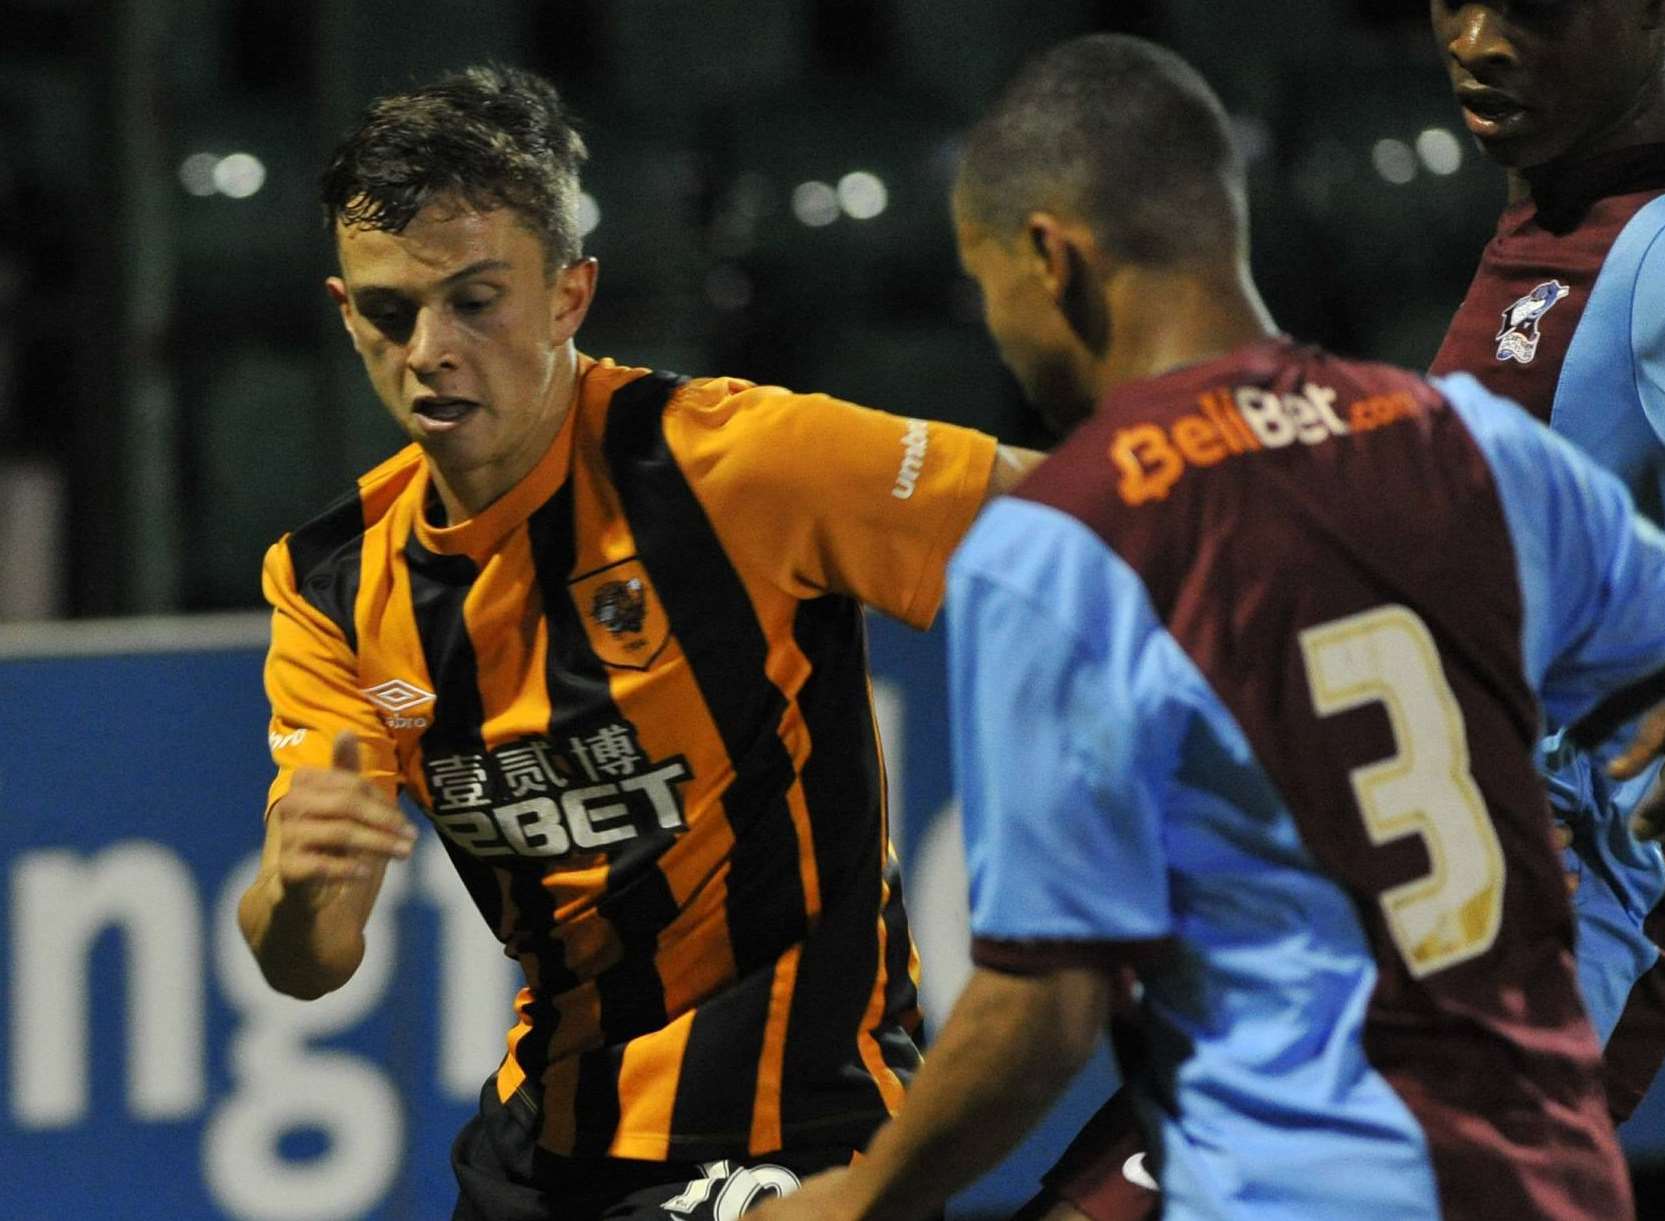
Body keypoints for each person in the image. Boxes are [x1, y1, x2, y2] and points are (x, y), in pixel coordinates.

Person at [756, 32, 1665, 1221]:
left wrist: (848, 1203)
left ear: (1051, 261)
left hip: (1298, 1178)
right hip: (1546, 1169)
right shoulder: (1466, 444)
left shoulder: (1066, 544)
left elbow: (1043, 1008)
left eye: (987, 292)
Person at [235, 64, 1038, 1220]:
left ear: (570, 296)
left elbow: (1094, 523)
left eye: (476, 300)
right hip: (543, 1148)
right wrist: (300, 889)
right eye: (390, 310)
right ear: (345, 309)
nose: (430, 351)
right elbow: (309, 964)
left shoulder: (735, 464)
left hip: (789, 1130)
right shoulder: (330, 582)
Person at [1425, 0, 1665, 1123]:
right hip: (1457, 894)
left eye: (1535, 7)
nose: (1478, 38)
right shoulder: (1561, 223)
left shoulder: (1654, 247)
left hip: (1569, 927)